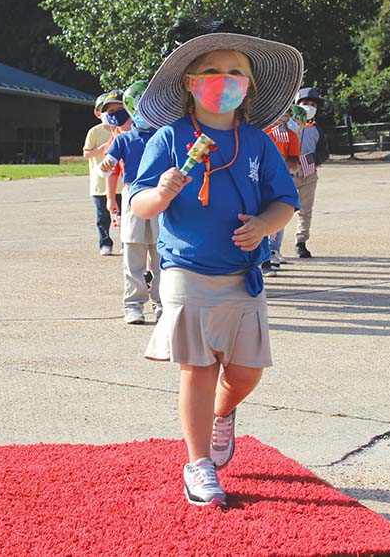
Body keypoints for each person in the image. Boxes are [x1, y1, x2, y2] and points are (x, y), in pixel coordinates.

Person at [130, 27, 302, 508]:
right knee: (198, 369)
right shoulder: (170, 137)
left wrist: (265, 225)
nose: (223, 81)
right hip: (186, 269)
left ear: (248, 86)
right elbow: (139, 203)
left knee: (246, 373)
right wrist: (161, 192)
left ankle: (223, 413)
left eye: (235, 73)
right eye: (212, 72)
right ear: (189, 82)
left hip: (242, 273)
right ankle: (198, 463)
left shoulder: (258, 142)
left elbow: (284, 201)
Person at [100, 80, 162, 325]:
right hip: (133, 196)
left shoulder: (163, 135)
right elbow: (109, 164)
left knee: (161, 253)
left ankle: (162, 303)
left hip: (161, 197)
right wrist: (107, 165)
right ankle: (133, 305)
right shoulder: (123, 138)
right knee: (134, 253)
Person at [82, 90, 125, 255]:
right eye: (107, 110)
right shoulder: (95, 132)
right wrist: (102, 148)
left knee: (124, 217)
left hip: (121, 184)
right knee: (103, 218)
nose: (111, 114)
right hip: (100, 185)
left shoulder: (123, 128)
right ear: (98, 113)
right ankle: (105, 243)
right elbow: (86, 154)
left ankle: (124, 242)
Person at [262, 106, 301, 277]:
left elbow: (293, 163)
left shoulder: (290, 136)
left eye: (287, 112)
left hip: (280, 180)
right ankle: (263, 258)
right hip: (259, 180)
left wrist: (278, 172)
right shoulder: (262, 133)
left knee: (277, 218)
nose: (284, 115)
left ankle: (272, 253)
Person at [292, 86, 330, 258]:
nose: (309, 106)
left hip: (309, 174)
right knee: (280, 208)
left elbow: (324, 152)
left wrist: (313, 159)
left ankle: (301, 242)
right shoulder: (288, 126)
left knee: (305, 210)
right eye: (305, 103)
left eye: (312, 104)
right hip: (288, 173)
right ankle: (272, 245)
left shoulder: (317, 130)